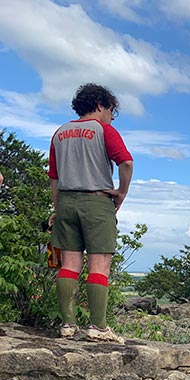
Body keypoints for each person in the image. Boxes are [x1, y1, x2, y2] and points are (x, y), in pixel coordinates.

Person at [48, 83, 133, 343]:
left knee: (69, 264)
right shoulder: (104, 130)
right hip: (97, 202)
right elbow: (126, 162)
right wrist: (121, 192)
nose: (111, 116)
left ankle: (67, 324)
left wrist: (58, 208)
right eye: (110, 110)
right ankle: (98, 327)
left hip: (67, 201)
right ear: (100, 105)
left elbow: (54, 177)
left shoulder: (59, 133)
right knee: (99, 265)